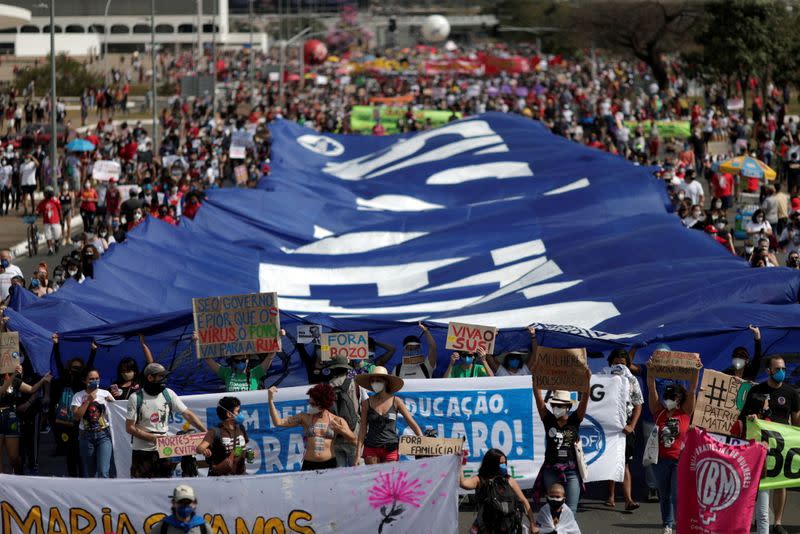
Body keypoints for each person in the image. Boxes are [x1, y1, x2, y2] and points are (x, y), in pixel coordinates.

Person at [744, 356, 800, 534]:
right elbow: (746, 415)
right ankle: (758, 518)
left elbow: (797, 421)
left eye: (783, 368)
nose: (781, 372)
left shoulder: (791, 393)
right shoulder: (757, 390)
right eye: (777, 369)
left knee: (780, 483)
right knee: (759, 484)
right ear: (768, 371)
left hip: (782, 447)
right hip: (760, 445)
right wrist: (753, 417)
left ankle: (777, 522)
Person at [125, 362, 207, 478]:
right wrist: (152, 438)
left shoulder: (168, 394)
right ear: (150, 377)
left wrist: (205, 432)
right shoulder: (135, 398)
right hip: (142, 451)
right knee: (142, 488)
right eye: (161, 376)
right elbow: (129, 427)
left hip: (164, 449)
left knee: (164, 486)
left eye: (165, 376)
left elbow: (187, 414)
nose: (165, 379)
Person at [647, 361, 699, 534]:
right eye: (666, 397)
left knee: (677, 495)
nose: (667, 400)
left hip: (679, 460)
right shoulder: (658, 410)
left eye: (671, 397)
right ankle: (667, 525)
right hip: (660, 460)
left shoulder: (685, 412)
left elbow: (692, 389)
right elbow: (650, 386)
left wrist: (696, 371)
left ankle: (680, 525)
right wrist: (651, 371)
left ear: (678, 399)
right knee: (665, 494)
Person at [533, 379, 591, 514]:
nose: (556, 408)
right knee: (554, 508)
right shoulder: (548, 420)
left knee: (571, 510)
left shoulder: (575, 420)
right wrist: (535, 379)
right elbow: (538, 397)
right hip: (551, 469)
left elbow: (585, 400)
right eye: (554, 405)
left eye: (560, 405)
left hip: (571, 470)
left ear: (568, 407)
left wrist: (587, 380)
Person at [268, 383, 355, 471]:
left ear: (323, 404)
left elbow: (354, 440)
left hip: (330, 463)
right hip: (309, 464)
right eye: (309, 403)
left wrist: (343, 431)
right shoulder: (304, 418)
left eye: (313, 404)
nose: (310, 406)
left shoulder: (336, 420)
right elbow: (278, 422)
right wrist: (270, 400)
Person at [354, 366, 422, 465]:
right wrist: (357, 455)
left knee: (389, 479)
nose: (375, 383)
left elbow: (411, 422)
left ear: (385, 382)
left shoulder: (396, 401)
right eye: (373, 381)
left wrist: (423, 440)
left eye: (378, 380)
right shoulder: (366, 403)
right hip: (371, 448)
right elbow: (362, 430)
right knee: (374, 478)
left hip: (391, 448)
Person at [602, 349, 643, 511]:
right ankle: (610, 496)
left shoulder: (632, 381)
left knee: (624, 462)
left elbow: (638, 406)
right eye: (616, 362)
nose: (619, 365)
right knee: (609, 460)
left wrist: (631, 426)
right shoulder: (603, 378)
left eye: (623, 363)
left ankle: (628, 500)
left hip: (625, 425)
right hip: (607, 425)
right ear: (611, 363)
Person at [51, 332, 96, 477]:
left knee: (80, 451)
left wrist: (93, 351)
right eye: (73, 367)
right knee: (69, 451)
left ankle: (83, 477)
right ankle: (71, 476)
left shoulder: (80, 383)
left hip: (79, 420)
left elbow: (89, 366)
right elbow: (58, 362)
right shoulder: (64, 379)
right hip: (64, 421)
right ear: (69, 367)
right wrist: (56, 344)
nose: (75, 370)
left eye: (78, 368)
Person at [460, 448, 534, 534]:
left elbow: (524, 501)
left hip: (509, 528)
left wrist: (533, 523)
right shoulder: (480, 480)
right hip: (486, 528)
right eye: (500, 463)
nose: (503, 466)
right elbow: (463, 483)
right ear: (491, 464)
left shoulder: (509, 480)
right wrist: (459, 462)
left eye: (504, 463)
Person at [730, 392, 771, 534]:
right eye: (766, 403)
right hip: (743, 473)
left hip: (761, 473)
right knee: (740, 512)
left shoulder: (768, 423)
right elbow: (732, 448)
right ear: (758, 406)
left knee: (763, 513)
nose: (768, 405)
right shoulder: (740, 424)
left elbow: (771, 445)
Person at [0, 363, 51, 474]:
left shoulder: (15, 380)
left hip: (11, 417)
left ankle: (17, 474)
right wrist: (14, 375)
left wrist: (43, 380)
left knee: (14, 457)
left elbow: (31, 389)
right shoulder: (13, 378)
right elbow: (1, 391)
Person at [197, 329, 282, 392]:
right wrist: (198, 340)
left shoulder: (255, 373)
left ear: (247, 360)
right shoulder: (227, 373)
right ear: (233, 362)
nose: (240, 362)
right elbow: (207, 358)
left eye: (243, 360)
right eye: (237, 361)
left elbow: (271, 355)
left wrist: (279, 337)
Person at [70, 367, 114, 478]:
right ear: (84, 380)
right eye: (91, 379)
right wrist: (88, 400)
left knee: (103, 471)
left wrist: (113, 402)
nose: (95, 381)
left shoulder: (105, 393)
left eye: (97, 378)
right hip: (86, 436)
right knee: (90, 473)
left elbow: (116, 413)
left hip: (104, 435)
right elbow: (76, 416)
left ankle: (105, 495)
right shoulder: (78, 396)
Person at [196, 396, 250, 476]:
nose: (240, 414)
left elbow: (242, 449)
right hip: (220, 479)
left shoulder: (241, 428)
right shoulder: (215, 432)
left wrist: (248, 455)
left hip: (241, 476)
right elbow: (199, 448)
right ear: (229, 414)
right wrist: (203, 450)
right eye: (237, 411)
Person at [36, 186, 61, 255]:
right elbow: (38, 209)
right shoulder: (43, 202)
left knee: (57, 235)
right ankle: (50, 249)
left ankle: (56, 242)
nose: (48, 194)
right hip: (46, 222)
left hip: (55, 221)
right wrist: (37, 212)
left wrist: (61, 219)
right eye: (47, 193)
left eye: (49, 193)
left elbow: (59, 209)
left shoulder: (55, 200)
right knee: (48, 236)